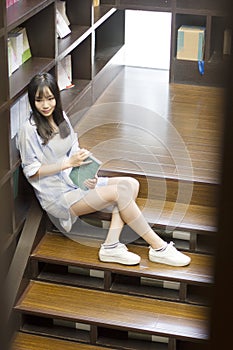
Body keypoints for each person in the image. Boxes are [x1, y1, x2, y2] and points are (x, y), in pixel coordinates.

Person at [17, 72, 191, 267]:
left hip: (74, 183)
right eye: (39, 100)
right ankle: (158, 247)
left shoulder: (61, 117)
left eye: (50, 98)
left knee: (131, 184)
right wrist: (67, 164)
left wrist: (86, 175)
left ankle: (111, 245)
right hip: (58, 197)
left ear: (56, 97)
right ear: (32, 102)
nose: (46, 105)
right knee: (120, 192)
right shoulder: (28, 130)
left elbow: (74, 149)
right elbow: (31, 170)